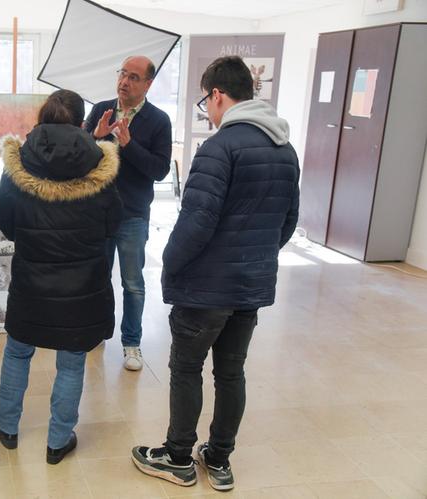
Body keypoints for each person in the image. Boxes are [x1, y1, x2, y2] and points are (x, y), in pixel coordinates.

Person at [131, 56, 300, 491]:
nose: (207, 110)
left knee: (186, 368)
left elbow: (196, 223)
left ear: (219, 95)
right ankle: (220, 460)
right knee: (231, 372)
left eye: (206, 101)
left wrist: (170, 262)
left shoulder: (219, 148)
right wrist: (255, 257)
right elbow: (287, 221)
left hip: (206, 289)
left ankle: (179, 457)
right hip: (250, 286)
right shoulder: (285, 149)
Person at [0, 89, 122, 465]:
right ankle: (58, 440)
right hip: (83, 285)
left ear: (42, 118)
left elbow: (7, 223)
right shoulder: (102, 164)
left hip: (31, 278)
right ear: (82, 121)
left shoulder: (19, 163)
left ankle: (8, 427)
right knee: (73, 358)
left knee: (17, 350)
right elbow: (114, 222)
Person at [84, 55, 172, 371]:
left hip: (133, 214)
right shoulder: (101, 109)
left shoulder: (159, 120)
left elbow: (160, 170)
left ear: (148, 84)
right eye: (122, 73)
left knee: (132, 282)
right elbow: (79, 154)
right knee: (98, 278)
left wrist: (129, 145)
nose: (124, 81)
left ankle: (131, 343)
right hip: (98, 211)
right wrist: (94, 136)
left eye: (133, 77)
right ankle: (97, 330)